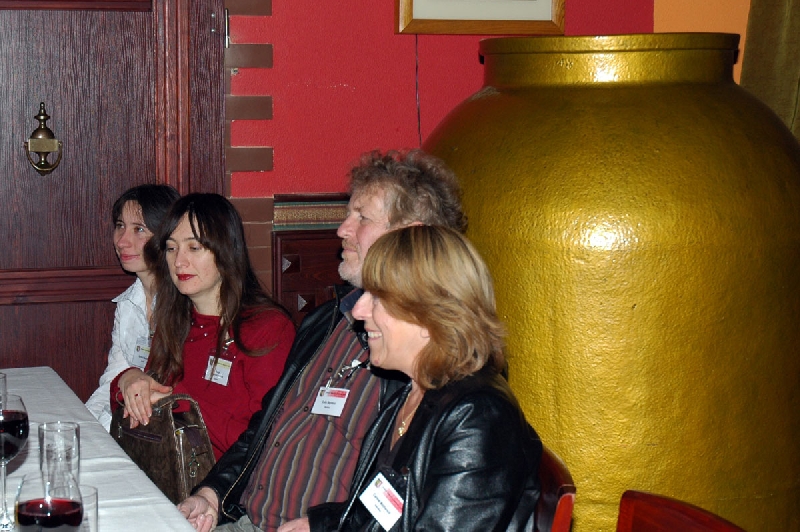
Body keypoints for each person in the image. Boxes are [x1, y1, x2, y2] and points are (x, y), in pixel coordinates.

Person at [178, 149, 467, 531]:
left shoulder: (424, 357)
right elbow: (265, 427)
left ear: (410, 236)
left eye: (361, 217)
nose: (342, 229)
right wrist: (213, 494)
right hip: (246, 520)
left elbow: (410, 504)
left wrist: (323, 525)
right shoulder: (326, 321)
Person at [281, 225, 542, 532]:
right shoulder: (412, 393)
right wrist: (318, 524)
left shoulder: (479, 418)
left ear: (430, 314)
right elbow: (381, 511)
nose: (359, 310)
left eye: (377, 297)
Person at [110, 193, 296, 459]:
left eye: (194, 248)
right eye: (171, 248)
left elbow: (265, 442)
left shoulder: (266, 329)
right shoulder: (175, 321)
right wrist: (129, 378)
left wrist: (179, 402)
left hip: (232, 479)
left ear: (225, 251)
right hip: (168, 470)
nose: (179, 262)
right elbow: (133, 405)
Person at [85, 184, 180, 432]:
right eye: (120, 226)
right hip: (126, 427)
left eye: (139, 229)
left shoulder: (185, 306)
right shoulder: (127, 304)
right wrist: (84, 428)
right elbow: (111, 382)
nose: (122, 241)